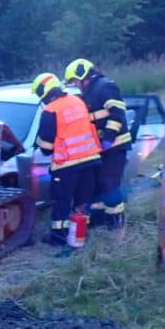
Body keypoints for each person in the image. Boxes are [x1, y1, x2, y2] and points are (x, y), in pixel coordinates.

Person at [31, 72, 101, 246]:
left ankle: (58, 238)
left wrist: (38, 142)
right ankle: (80, 236)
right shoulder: (78, 101)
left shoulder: (50, 110)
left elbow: (46, 148)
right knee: (82, 201)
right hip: (91, 160)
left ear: (44, 92)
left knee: (61, 202)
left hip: (66, 166)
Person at [64, 58, 132, 229]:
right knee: (99, 184)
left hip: (115, 145)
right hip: (100, 147)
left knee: (110, 183)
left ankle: (116, 222)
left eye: (75, 81)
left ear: (83, 75)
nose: (75, 85)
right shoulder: (88, 92)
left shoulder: (105, 86)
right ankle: (100, 219)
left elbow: (117, 114)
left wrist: (109, 138)